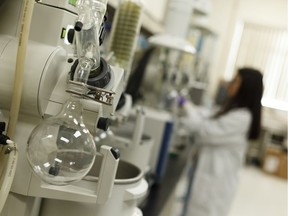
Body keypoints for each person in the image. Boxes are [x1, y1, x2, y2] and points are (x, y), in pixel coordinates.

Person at [180, 67, 263, 216]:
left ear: (246, 88)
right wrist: (188, 106)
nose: (230, 84)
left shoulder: (242, 118)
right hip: (206, 176)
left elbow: (205, 132)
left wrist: (185, 108)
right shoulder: (232, 110)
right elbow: (208, 116)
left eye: (236, 81)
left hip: (215, 185)